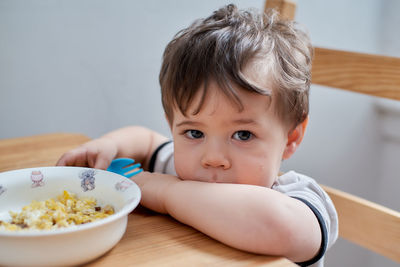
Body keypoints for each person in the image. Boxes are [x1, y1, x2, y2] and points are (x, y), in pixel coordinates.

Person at [57, 4, 338, 266]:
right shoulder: (187, 167)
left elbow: (280, 228)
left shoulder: (299, 198)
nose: (213, 159)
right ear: (172, 126)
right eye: (194, 132)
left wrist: (166, 191)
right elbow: (144, 139)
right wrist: (107, 146)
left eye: (243, 135)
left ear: (291, 138)